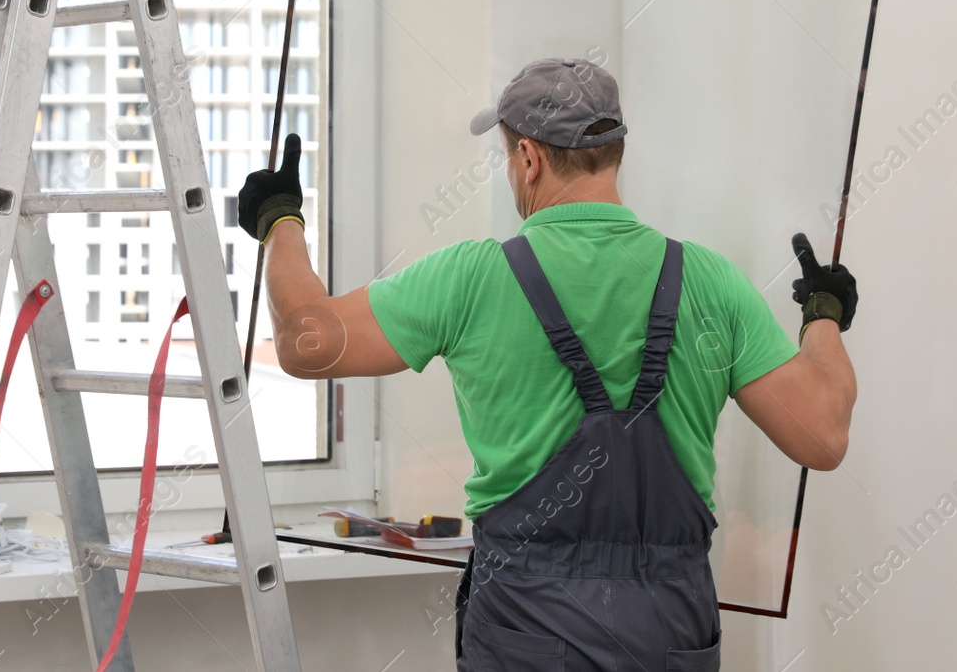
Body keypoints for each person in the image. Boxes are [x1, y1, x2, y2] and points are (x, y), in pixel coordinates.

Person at [239, 57, 858, 672]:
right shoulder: (712, 282)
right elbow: (823, 436)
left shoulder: (472, 278)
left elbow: (303, 340)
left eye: (509, 158)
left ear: (529, 159)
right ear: (615, 152)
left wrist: (281, 222)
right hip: (671, 634)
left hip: (527, 632)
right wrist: (823, 317)